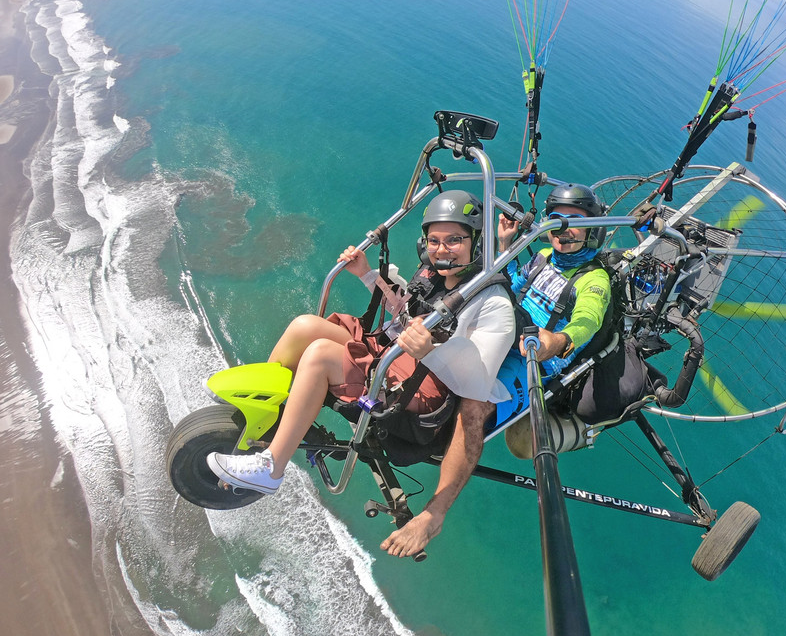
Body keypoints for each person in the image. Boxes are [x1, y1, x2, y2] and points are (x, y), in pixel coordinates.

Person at [208, 190, 516, 557]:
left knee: (322, 355)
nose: (442, 249)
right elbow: (405, 307)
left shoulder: (492, 302)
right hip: (400, 356)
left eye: (454, 240)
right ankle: (270, 422)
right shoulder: (435, 275)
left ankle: (270, 469)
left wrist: (433, 350)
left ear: (474, 241)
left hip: (424, 395)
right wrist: (367, 273)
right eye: (434, 240)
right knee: (305, 326)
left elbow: (478, 384)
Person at [497, 183, 611, 378]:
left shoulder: (595, 279)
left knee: (477, 407)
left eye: (575, 222)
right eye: (556, 220)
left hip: (540, 358)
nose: (563, 228)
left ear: (592, 230)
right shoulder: (543, 256)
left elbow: (589, 320)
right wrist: (504, 242)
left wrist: (558, 341)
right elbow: (510, 287)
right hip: (507, 334)